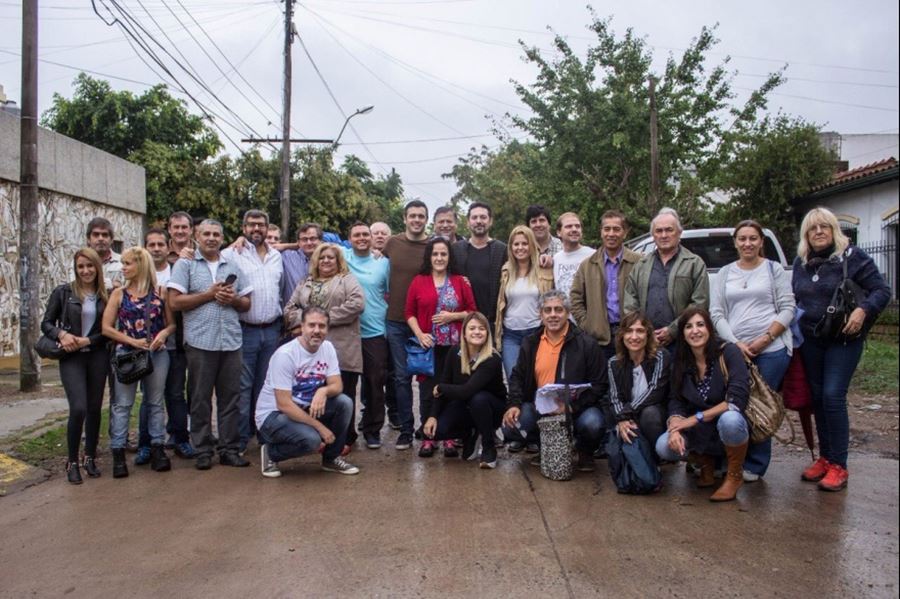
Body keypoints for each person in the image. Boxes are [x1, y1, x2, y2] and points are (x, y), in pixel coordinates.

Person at [792, 207, 890, 492]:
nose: (819, 232)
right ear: (806, 235)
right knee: (818, 399)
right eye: (813, 228)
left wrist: (863, 310)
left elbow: (882, 291)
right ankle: (825, 458)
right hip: (812, 340)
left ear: (834, 229)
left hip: (843, 340)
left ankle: (839, 465)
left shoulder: (853, 257)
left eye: (824, 226)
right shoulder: (802, 262)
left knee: (833, 396)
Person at [710, 220, 795, 482]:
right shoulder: (725, 273)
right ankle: (729, 459)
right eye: (742, 239)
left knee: (760, 405)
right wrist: (735, 343)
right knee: (733, 402)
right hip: (734, 350)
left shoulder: (774, 269)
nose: (747, 243)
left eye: (753, 238)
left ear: (761, 242)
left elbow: (788, 308)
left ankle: (756, 465)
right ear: (735, 242)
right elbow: (716, 312)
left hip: (772, 350)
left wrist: (765, 338)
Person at [167, 219, 253, 470]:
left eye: (216, 234)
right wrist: (208, 294)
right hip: (200, 341)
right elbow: (174, 303)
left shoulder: (233, 264)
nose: (211, 238)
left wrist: (233, 299)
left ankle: (228, 448)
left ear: (223, 238)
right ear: (197, 235)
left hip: (231, 342)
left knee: (230, 398)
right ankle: (203, 449)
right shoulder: (186, 264)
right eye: (206, 234)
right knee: (200, 398)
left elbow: (247, 303)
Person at [502, 290, 607, 472]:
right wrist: (514, 404)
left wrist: (572, 406)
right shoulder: (531, 342)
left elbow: (600, 384)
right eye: (547, 310)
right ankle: (545, 447)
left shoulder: (586, 344)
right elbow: (517, 376)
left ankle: (584, 451)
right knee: (512, 428)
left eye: (558, 310)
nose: (553, 315)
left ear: (567, 313)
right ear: (540, 314)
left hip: (576, 408)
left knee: (594, 424)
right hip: (541, 408)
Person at [656, 308, 751, 502]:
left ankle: (733, 475)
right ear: (682, 333)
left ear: (709, 328)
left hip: (725, 424)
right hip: (698, 430)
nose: (695, 331)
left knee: (730, 420)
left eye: (700, 325)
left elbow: (736, 399)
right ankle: (705, 461)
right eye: (689, 327)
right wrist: (674, 428)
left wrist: (694, 418)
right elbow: (675, 400)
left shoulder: (729, 352)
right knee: (663, 447)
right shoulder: (681, 361)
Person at [256, 307, 360, 478]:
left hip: (303, 408)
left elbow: (337, 385)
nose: (317, 331)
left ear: (328, 328)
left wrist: (323, 390)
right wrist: (320, 428)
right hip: (273, 416)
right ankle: (271, 452)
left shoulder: (327, 348)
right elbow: (284, 404)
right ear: (302, 327)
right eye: (312, 325)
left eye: (322, 326)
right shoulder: (285, 355)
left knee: (344, 403)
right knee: (312, 440)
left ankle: (331, 458)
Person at [102, 247, 176, 478]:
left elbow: (171, 324)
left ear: (140, 265)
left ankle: (157, 448)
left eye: (127, 263)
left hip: (156, 353)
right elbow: (106, 327)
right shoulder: (119, 294)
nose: (123, 267)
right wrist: (131, 341)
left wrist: (162, 336)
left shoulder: (160, 293)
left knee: (155, 402)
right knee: (122, 404)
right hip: (127, 354)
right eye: (123, 263)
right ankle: (118, 452)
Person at [285, 243, 365, 452]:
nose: (326, 261)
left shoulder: (347, 280)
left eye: (331, 258)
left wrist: (324, 320)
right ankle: (320, 436)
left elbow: (357, 304)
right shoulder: (306, 282)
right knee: (314, 393)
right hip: (311, 351)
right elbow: (289, 308)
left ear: (338, 261)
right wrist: (308, 321)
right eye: (322, 258)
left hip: (342, 347)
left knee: (343, 395)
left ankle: (345, 439)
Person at [41, 248, 109, 484]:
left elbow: (107, 332)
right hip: (72, 357)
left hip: (97, 356)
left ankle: (90, 457)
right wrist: (61, 334)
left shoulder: (105, 295)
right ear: (75, 268)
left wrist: (89, 340)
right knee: (78, 407)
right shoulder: (64, 292)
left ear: (97, 268)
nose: (86, 271)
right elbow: (46, 323)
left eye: (90, 266)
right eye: (81, 266)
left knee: (94, 408)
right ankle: (71, 461)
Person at [406, 237, 476, 457]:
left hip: (454, 348)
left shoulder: (460, 281)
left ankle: (448, 436)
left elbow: (473, 312)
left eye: (443, 254)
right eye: (435, 254)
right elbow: (409, 313)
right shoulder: (419, 280)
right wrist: (419, 334)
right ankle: (428, 438)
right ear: (429, 256)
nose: (439, 258)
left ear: (449, 257)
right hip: (428, 347)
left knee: (451, 392)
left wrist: (452, 316)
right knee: (428, 393)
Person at [222, 210, 284, 453]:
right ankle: (239, 439)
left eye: (261, 224)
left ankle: (263, 434)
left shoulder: (276, 256)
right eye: (251, 225)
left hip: (272, 330)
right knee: (243, 386)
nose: (256, 229)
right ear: (243, 227)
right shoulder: (231, 253)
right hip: (244, 329)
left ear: (268, 228)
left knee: (266, 386)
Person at [134, 229, 194, 465]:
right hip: (146, 348)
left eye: (160, 244)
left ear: (167, 246)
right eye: (152, 244)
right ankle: (145, 443)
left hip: (174, 345)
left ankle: (180, 439)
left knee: (176, 394)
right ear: (146, 247)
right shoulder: (138, 276)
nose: (156, 248)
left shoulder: (176, 269)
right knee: (150, 397)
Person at [423, 312, 507, 468]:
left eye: (481, 328)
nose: (476, 332)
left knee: (478, 399)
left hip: (492, 408)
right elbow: (444, 383)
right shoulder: (455, 352)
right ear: (464, 333)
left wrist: (441, 387)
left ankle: (489, 447)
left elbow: (466, 390)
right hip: (465, 405)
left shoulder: (492, 358)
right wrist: (433, 416)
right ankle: (470, 434)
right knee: (436, 431)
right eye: (472, 328)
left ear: (487, 333)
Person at [383, 201, 431, 450]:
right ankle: (405, 428)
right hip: (395, 321)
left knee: (424, 377)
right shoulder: (392, 243)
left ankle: (426, 426)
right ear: (404, 218)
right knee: (401, 378)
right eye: (412, 216)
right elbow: (372, 261)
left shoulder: (431, 245)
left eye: (421, 216)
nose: (416, 220)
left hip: (424, 322)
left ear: (426, 219)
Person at [624, 207, 709, 347]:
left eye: (669, 230)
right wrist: (642, 330)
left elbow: (700, 303)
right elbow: (630, 300)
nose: (664, 235)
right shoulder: (641, 265)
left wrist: (673, 330)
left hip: (683, 341)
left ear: (679, 232)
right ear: (653, 235)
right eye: (659, 231)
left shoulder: (694, 263)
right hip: (647, 342)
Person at [570, 210, 641, 361]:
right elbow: (575, 297)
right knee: (602, 382)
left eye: (616, 229)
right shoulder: (588, 265)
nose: (611, 234)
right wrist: (587, 324)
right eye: (607, 229)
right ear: (601, 232)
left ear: (625, 233)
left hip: (631, 334)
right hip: (600, 338)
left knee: (630, 381)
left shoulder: (638, 262)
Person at [345, 222, 391, 450]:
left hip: (374, 331)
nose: (362, 238)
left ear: (372, 238)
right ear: (349, 239)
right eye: (357, 235)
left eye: (366, 234)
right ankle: (346, 433)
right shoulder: (341, 256)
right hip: (346, 332)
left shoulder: (383, 263)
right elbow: (312, 244)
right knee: (345, 385)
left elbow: (391, 292)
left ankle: (373, 430)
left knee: (375, 382)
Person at [601, 312, 671, 458]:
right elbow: (615, 398)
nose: (634, 337)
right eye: (629, 331)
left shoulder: (660, 356)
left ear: (648, 335)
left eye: (640, 331)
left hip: (657, 415)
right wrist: (622, 419)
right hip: (628, 415)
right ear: (622, 335)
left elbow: (655, 391)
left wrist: (625, 413)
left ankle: (656, 458)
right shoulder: (614, 363)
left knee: (649, 414)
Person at [495, 225, 554, 380]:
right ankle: (516, 405)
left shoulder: (544, 269)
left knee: (536, 380)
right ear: (511, 247)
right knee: (514, 379)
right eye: (516, 244)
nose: (520, 248)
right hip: (510, 335)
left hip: (536, 332)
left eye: (524, 243)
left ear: (532, 245)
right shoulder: (506, 271)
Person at [451, 202, 507, 330]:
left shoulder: (501, 250)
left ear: (490, 221)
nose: (479, 221)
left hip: (492, 322)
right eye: (474, 217)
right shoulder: (456, 250)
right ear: (468, 222)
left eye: (483, 217)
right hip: (463, 322)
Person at [552, 212, 594, 299]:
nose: (574, 229)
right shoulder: (556, 258)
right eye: (569, 226)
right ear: (559, 232)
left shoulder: (593, 255)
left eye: (577, 226)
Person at [281, 222, 323, 307]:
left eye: (313, 238)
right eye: (304, 239)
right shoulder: (287, 256)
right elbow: (266, 246)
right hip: (292, 314)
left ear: (320, 240)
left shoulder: (328, 259)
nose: (309, 242)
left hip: (321, 316)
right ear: (298, 242)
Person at [86, 216, 122, 289]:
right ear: (88, 239)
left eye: (105, 235)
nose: (101, 238)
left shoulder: (122, 262)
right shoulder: (78, 262)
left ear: (112, 240)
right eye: (96, 234)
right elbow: (76, 288)